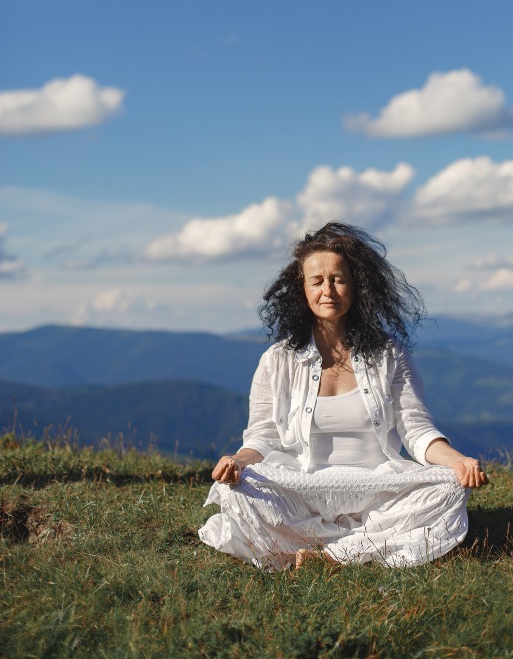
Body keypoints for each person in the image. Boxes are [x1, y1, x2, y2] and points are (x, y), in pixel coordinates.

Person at [199, 222, 488, 569]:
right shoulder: (277, 360)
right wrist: (237, 462)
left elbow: (416, 429)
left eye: (338, 279)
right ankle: (365, 545)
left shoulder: (389, 355)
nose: (328, 291)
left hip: (376, 488)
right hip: (302, 488)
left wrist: (457, 461)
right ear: (302, 290)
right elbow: (262, 437)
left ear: (357, 285)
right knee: (237, 489)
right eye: (317, 281)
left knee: (450, 486)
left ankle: (328, 554)